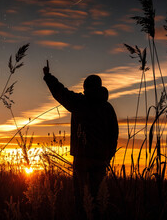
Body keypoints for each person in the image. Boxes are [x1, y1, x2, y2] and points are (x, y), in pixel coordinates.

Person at [43, 60, 118, 219]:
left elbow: (60, 92)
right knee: (99, 200)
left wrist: (48, 76)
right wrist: (108, 156)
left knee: (82, 200)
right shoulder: (108, 108)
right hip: (101, 160)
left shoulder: (79, 102)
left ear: (85, 88)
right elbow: (114, 135)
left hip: (82, 160)